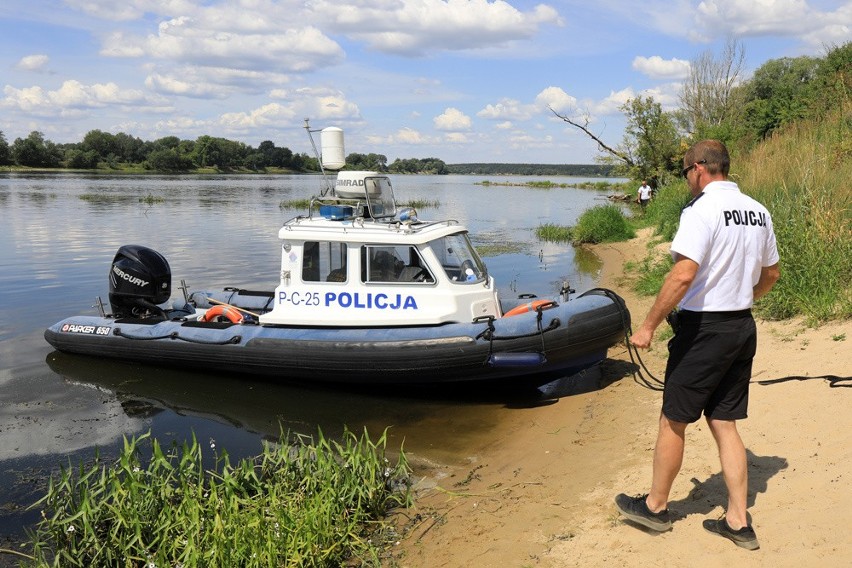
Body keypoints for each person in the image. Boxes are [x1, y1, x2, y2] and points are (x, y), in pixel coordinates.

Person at [614, 140, 781, 551]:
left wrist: (648, 326)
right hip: (742, 327)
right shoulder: (758, 210)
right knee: (724, 421)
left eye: (686, 172)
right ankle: (738, 521)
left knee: (674, 418)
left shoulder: (701, 210)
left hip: (705, 331)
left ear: (700, 169)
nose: (687, 179)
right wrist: (740, 299)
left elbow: (683, 274)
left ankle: (654, 508)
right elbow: (772, 274)